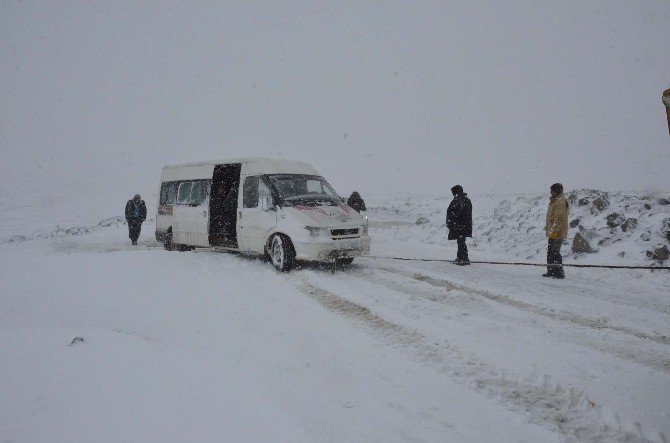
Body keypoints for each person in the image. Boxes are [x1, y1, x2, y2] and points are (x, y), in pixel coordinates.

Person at [543, 183, 569, 279]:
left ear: (557, 191)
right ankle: (551, 271)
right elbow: (552, 217)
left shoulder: (560, 202)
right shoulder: (555, 201)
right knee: (550, 252)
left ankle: (559, 273)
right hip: (553, 232)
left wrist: (554, 232)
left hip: (557, 233)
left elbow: (559, 219)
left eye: (552, 190)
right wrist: (548, 228)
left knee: (555, 252)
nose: (550, 192)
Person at [446, 185, 472, 265]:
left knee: (461, 240)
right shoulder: (465, 200)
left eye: (453, 192)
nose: (453, 194)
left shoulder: (459, 200)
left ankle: (464, 258)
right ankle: (461, 257)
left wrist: (451, 221)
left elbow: (456, 213)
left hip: (460, 224)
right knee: (461, 240)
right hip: (464, 224)